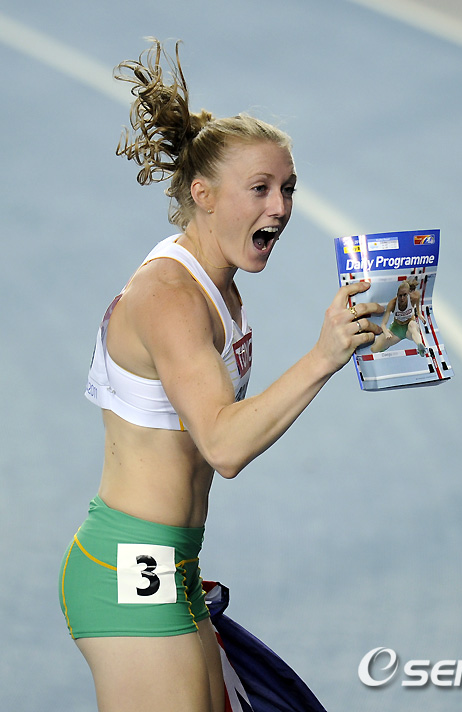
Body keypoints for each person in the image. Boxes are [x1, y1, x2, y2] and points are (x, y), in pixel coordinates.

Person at [58, 38, 383, 712]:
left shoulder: (221, 289)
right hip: (129, 569)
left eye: (287, 188)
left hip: (169, 567)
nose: (281, 207)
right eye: (260, 189)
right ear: (202, 195)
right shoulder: (170, 297)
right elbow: (224, 445)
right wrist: (323, 355)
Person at [370, 280, 425, 356]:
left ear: (408, 294)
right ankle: (386, 345)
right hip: (396, 329)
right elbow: (383, 324)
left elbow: (418, 305)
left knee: (412, 325)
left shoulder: (414, 297)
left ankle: (420, 345)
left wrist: (419, 314)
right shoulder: (392, 303)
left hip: (409, 329)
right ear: (397, 294)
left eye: (405, 295)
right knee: (374, 349)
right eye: (400, 295)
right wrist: (386, 333)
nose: (402, 298)